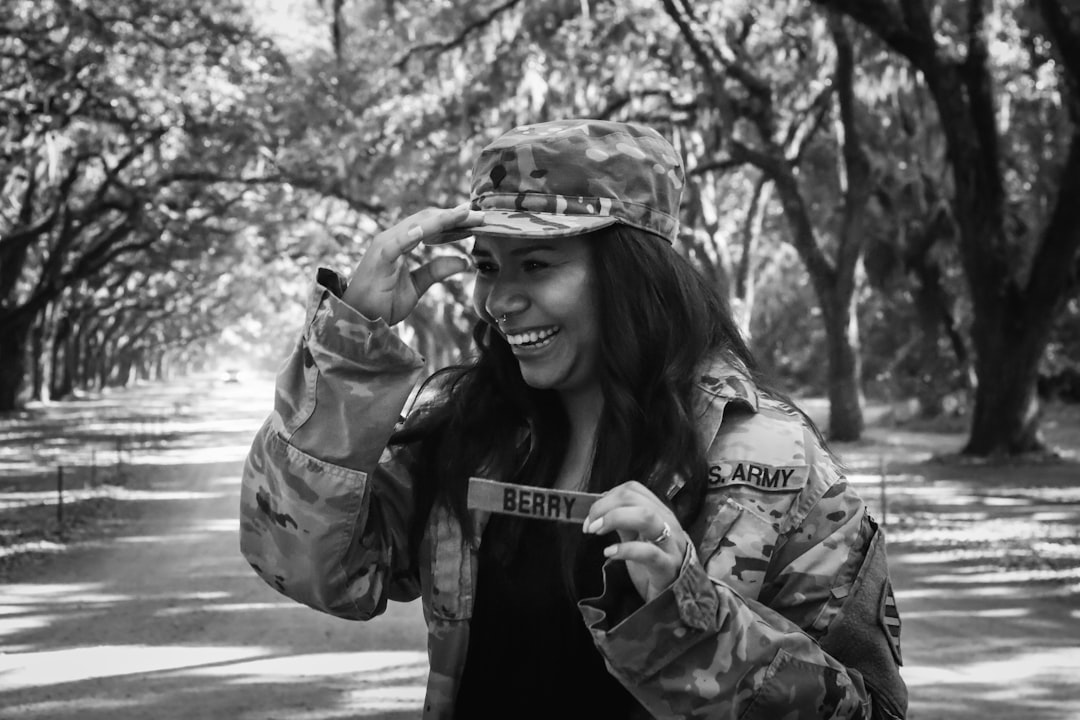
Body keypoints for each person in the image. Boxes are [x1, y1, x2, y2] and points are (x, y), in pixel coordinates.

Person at [239, 118, 907, 720]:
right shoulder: (471, 434)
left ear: (633, 274)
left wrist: (688, 618)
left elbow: (868, 711)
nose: (499, 300)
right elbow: (313, 568)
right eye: (487, 266)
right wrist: (353, 345)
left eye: (535, 264)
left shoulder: (776, 461)